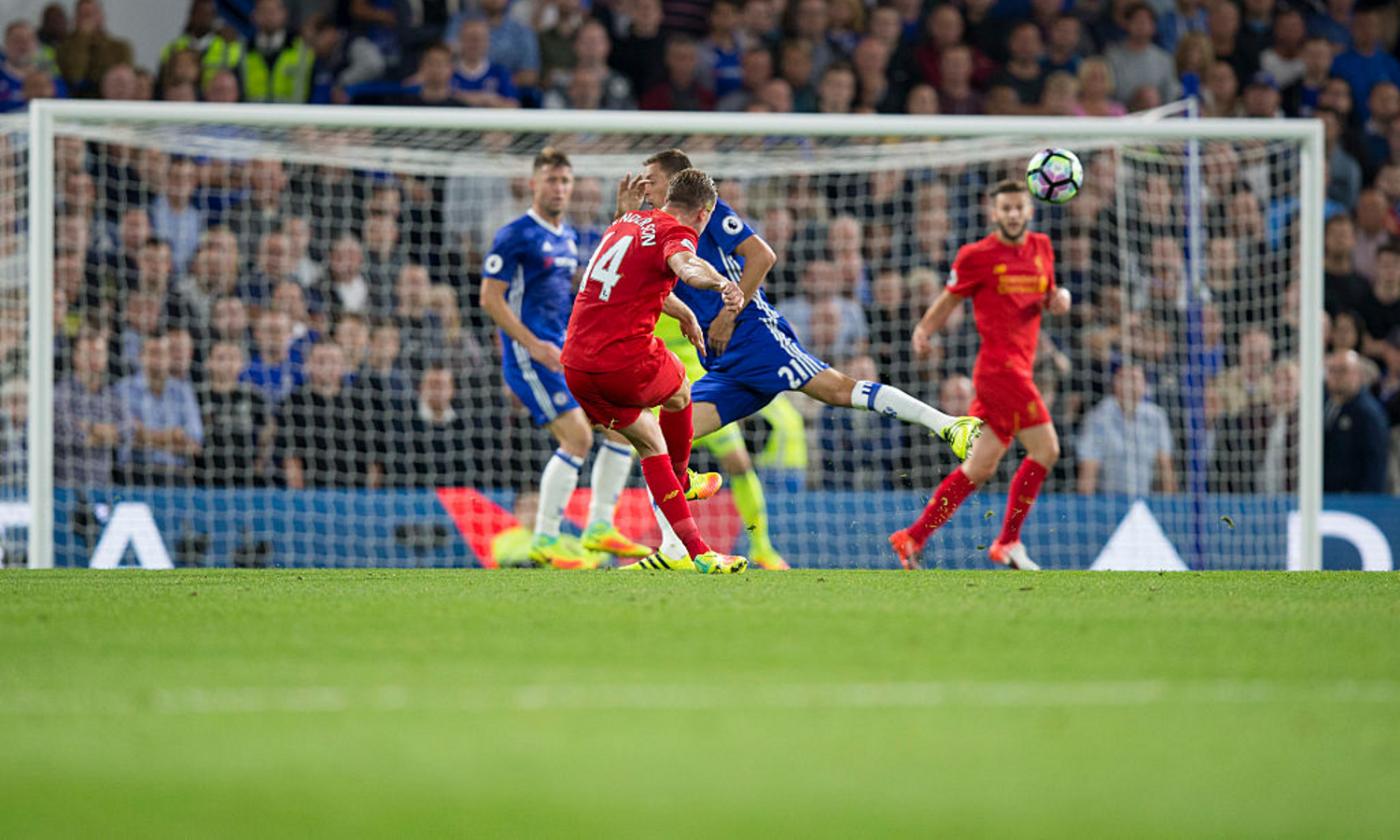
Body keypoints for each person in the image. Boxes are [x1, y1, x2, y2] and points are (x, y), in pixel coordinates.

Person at [620, 149, 978, 568]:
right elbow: (630, 275)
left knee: (837, 390)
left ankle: (950, 424)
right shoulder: (654, 229)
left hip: (755, 334)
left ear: (676, 181)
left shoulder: (708, 212)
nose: (644, 185)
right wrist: (623, 219)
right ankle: (674, 549)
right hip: (723, 362)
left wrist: (728, 315)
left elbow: (763, 255)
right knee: (662, 439)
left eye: (651, 178)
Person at [561, 167, 747, 575]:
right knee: (680, 383)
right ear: (704, 212)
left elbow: (631, 282)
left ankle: (697, 553)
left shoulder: (628, 221)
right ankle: (684, 480)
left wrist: (681, 312)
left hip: (576, 365)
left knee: (650, 443)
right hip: (619, 361)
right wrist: (719, 283)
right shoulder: (676, 233)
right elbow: (686, 266)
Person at [480, 148, 654, 569]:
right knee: (577, 437)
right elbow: (489, 298)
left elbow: (593, 280)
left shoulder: (568, 236)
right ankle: (544, 538)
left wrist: (620, 220)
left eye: (565, 181)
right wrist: (531, 343)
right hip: (530, 356)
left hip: (564, 354)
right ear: (533, 183)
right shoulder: (515, 235)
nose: (558, 188)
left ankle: (599, 527)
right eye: (551, 180)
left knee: (622, 426)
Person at [893, 179, 1073, 571]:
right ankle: (1007, 541)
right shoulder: (977, 255)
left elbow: (1049, 296)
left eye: (1018, 207)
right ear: (993, 213)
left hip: (1021, 368)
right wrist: (924, 330)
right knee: (1047, 449)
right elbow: (949, 299)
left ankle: (912, 538)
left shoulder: (1042, 247)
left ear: (1030, 210)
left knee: (980, 467)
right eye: (1005, 208)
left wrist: (1061, 300)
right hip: (999, 370)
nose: (1012, 214)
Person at [1077, 363, 1177, 496]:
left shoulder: (1156, 418)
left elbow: (1166, 468)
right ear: (1114, 383)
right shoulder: (1098, 418)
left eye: (1134, 379)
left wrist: (1168, 505)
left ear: (1144, 384)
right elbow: (1088, 471)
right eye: (1123, 378)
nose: (1128, 386)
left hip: (1145, 504)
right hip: (1108, 503)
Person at [1324, 350, 1388, 493]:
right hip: (1327, 497)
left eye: (1343, 370)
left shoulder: (1368, 413)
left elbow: (1375, 465)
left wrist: (1365, 504)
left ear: (1358, 375)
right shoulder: (1326, 406)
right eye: (1332, 370)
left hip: (1352, 501)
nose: (1336, 376)